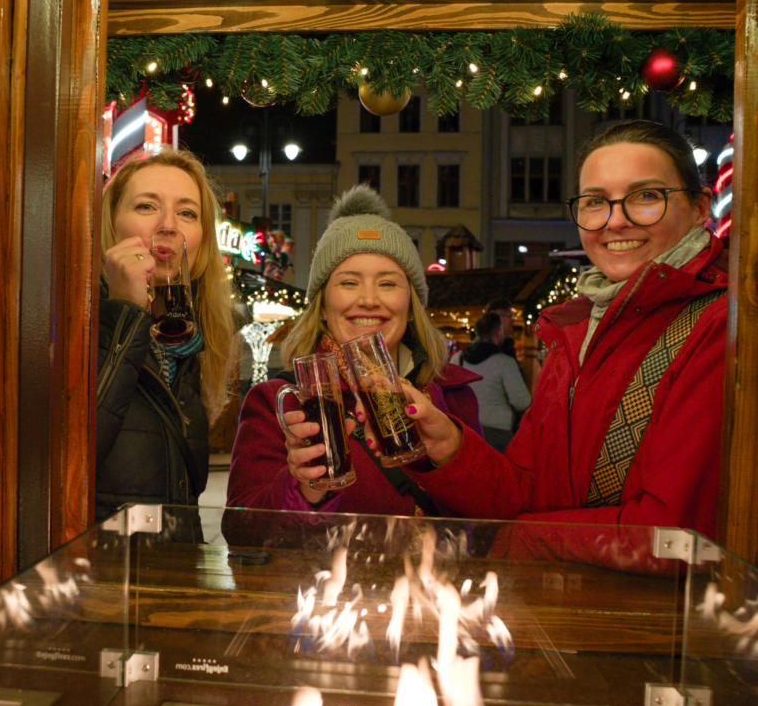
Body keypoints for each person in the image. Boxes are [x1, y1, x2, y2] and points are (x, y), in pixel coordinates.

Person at [398, 120, 726, 560]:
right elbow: (529, 489)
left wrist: (518, 541)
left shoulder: (721, 322)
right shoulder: (575, 331)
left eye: (646, 196)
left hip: (659, 623)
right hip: (571, 610)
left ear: (699, 206)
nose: (615, 221)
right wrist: (450, 449)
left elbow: (677, 535)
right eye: (596, 202)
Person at [226, 185, 482, 519]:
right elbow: (241, 530)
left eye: (387, 283)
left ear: (411, 304)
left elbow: (487, 520)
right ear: (321, 304)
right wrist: (304, 489)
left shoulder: (456, 397)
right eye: (349, 282)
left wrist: (453, 456)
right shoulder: (279, 403)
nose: (369, 299)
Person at [96, 148, 239, 526]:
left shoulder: (186, 346)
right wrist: (125, 313)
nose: (168, 225)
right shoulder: (73, 321)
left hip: (168, 576)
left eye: (187, 213)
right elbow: (67, 459)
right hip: (97, 574)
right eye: (146, 207)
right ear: (111, 223)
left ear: (202, 241)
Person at [451, 312, 531, 453]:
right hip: (497, 433)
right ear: (498, 333)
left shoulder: (457, 359)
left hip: (465, 430)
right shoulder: (505, 362)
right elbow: (522, 402)